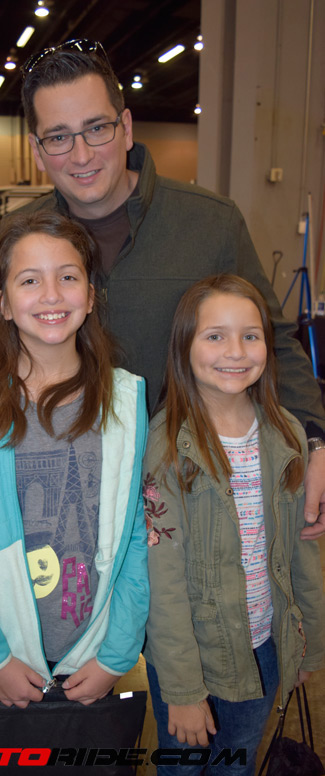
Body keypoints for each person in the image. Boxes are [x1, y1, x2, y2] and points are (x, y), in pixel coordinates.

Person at [0, 37, 325, 541]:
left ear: (126, 126)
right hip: (64, 517)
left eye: (97, 128)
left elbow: (274, 342)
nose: (81, 154)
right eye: (59, 137)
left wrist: (315, 441)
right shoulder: (16, 240)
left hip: (195, 505)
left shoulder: (210, 224)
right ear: (36, 149)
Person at [0, 210, 149, 713]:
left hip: (95, 655)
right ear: (3, 304)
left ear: (90, 295)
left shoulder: (126, 400)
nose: (51, 295)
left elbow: (137, 540)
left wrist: (116, 655)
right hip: (6, 656)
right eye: (30, 280)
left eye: (68, 277)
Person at [142, 274, 324, 775]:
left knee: (237, 765)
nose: (236, 351)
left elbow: (301, 551)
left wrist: (307, 643)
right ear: (184, 345)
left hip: (264, 645)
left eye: (250, 335)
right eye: (215, 336)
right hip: (193, 655)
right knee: (182, 767)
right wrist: (183, 690)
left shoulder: (286, 432)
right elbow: (163, 581)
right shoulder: (166, 447)